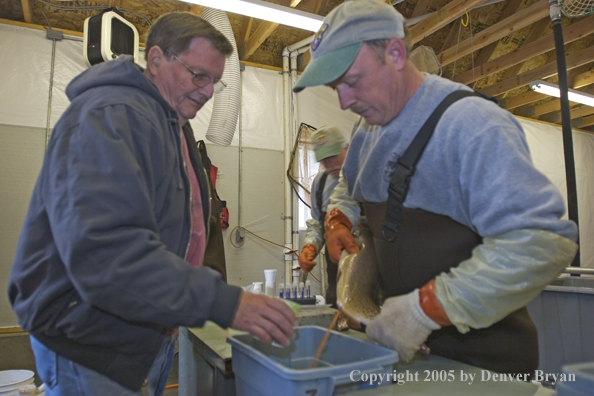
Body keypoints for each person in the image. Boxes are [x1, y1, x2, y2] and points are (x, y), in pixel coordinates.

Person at [8, 12, 296, 396]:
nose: (208, 91)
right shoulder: (111, 116)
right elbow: (106, 252)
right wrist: (225, 302)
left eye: (215, 81)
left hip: (143, 331)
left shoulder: (172, 125)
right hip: (89, 342)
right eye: (198, 75)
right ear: (156, 59)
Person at [293, 0, 578, 375]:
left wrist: (425, 308)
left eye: (350, 81)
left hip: (483, 363)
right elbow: (348, 186)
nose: (344, 102)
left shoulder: (473, 126)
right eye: (335, 88)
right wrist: (337, 219)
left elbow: (542, 241)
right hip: (406, 356)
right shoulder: (365, 135)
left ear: (395, 53)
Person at [298, 125, 350, 307]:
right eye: (324, 160)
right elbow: (317, 224)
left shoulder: (364, 177)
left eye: (333, 156)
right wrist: (310, 245)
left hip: (368, 266)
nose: (329, 164)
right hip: (336, 271)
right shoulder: (319, 183)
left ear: (347, 147)